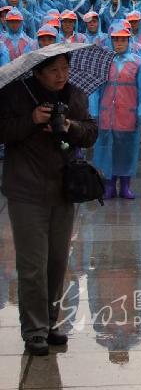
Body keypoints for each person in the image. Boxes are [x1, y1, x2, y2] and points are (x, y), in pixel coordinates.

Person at [0, 53, 98, 355]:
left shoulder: (75, 95)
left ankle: (51, 321)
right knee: (32, 264)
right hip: (26, 190)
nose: (61, 75)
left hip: (63, 189)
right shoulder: (16, 94)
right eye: (54, 70)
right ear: (38, 73)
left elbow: (90, 132)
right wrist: (31, 120)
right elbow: (3, 131)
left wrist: (69, 126)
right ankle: (34, 330)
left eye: (65, 69)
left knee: (57, 261)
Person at [91, 22, 141, 200]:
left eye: (123, 40)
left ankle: (125, 185)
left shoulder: (139, 62)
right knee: (107, 149)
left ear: (129, 40)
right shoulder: (103, 61)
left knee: (127, 149)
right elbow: (95, 89)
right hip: (107, 114)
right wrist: (93, 110)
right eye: (116, 39)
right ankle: (109, 184)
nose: (119, 43)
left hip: (128, 113)